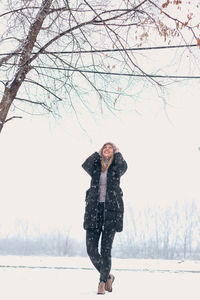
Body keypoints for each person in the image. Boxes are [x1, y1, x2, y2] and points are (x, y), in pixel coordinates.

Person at [82, 142, 128, 295]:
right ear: (101, 151)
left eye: (110, 148)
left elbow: (124, 166)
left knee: (106, 250)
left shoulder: (116, 167)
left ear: (114, 152)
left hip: (111, 211)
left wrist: (118, 151)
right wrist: (97, 152)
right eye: (105, 147)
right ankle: (108, 276)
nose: (107, 149)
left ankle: (102, 283)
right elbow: (85, 164)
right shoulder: (95, 167)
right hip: (94, 211)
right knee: (91, 250)